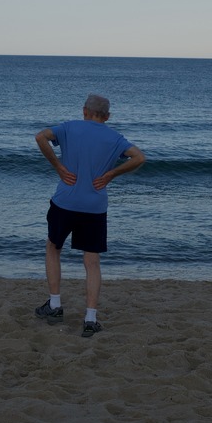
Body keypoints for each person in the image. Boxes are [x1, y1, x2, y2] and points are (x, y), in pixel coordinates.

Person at [33, 94, 146, 337]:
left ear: (85, 111)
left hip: (65, 201)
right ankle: (90, 319)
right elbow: (139, 157)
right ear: (107, 117)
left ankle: (54, 304)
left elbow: (40, 136)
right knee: (92, 261)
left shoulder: (68, 127)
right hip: (94, 206)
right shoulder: (114, 138)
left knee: (53, 247)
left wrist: (58, 167)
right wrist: (112, 174)